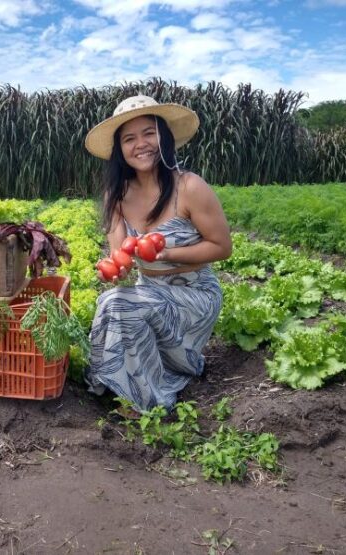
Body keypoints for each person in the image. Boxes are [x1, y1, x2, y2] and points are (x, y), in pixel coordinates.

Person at [84, 95, 232, 414]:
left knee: (117, 303)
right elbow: (119, 256)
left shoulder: (189, 186)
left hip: (194, 296)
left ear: (163, 137)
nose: (141, 144)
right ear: (120, 150)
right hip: (148, 292)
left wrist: (165, 252)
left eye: (149, 133)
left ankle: (151, 401)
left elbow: (222, 247)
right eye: (129, 138)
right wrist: (113, 268)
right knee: (111, 301)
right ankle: (119, 383)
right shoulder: (118, 195)